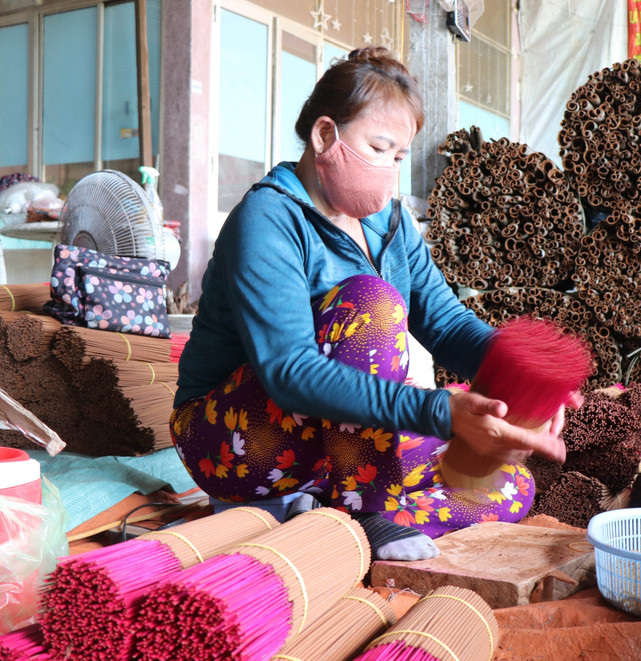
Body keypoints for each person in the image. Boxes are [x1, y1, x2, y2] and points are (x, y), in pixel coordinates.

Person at [171, 47, 574, 562]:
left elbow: (446, 323)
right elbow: (288, 370)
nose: (390, 171)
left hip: (335, 447)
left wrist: (527, 375)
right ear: (324, 137)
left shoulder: (391, 225)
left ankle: (324, 515)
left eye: (400, 157)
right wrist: (438, 410)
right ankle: (363, 512)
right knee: (372, 302)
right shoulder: (268, 218)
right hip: (233, 439)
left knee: (507, 485)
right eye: (380, 148)